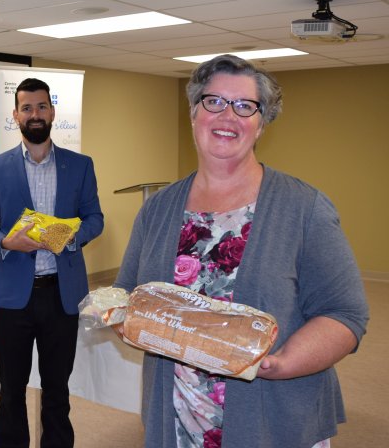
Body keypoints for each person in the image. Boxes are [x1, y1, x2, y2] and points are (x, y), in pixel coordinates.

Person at [113, 55, 369, 448]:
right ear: (194, 112)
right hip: (178, 417)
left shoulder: (304, 208)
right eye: (214, 101)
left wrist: (280, 365)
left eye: (245, 106)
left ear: (262, 122)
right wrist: (123, 318)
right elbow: (128, 294)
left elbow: (345, 314)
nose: (227, 116)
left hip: (273, 415)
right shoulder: (159, 208)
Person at [0, 77, 104, 447]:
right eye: (27, 108)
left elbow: (95, 218)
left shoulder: (80, 166)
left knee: (57, 390)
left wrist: (71, 238)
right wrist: (6, 241)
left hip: (61, 296)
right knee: (12, 390)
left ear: (52, 112)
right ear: (15, 115)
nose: (35, 114)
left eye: (41, 107)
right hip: (12, 297)